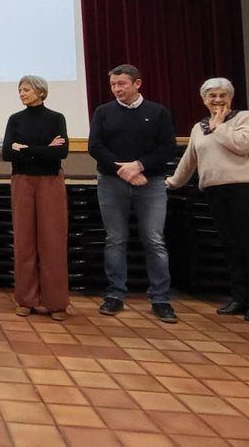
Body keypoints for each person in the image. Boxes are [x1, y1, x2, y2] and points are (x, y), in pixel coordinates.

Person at [167, 78, 249, 322]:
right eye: (212, 95)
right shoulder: (198, 127)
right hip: (215, 191)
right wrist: (171, 182)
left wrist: (219, 125)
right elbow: (189, 160)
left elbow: (243, 145)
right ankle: (239, 297)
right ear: (203, 99)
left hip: (245, 189)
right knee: (231, 246)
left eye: (223, 95)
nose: (217, 100)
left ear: (230, 97)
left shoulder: (245, 118)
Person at [88, 64, 179, 323]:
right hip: (111, 181)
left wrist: (139, 166)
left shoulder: (157, 112)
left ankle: (160, 299)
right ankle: (115, 294)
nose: (117, 89)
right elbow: (95, 146)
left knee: (154, 239)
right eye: (114, 85)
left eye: (122, 84)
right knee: (115, 239)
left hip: (149, 182)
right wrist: (123, 170)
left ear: (137, 84)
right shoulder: (103, 112)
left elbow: (167, 148)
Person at [2, 75, 70, 321]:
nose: (22, 93)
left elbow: (60, 152)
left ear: (41, 91)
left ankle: (56, 302)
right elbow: (8, 153)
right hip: (22, 181)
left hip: (50, 181)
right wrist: (43, 149)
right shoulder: (15, 119)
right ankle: (25, 300)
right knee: (24, 240)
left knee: (52, 240)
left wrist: (26, 149)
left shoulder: (56, 118)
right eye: (20, 89)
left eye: (27, 89)